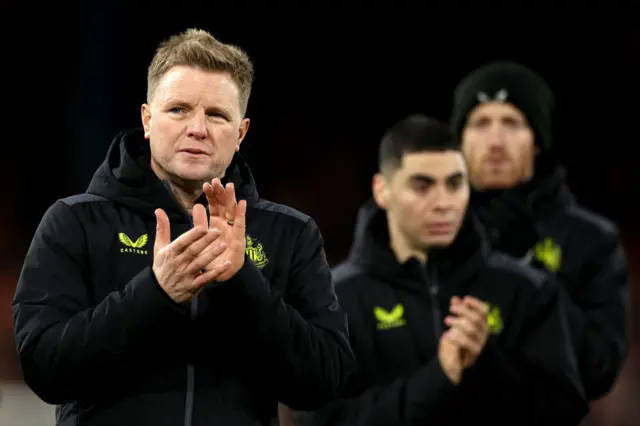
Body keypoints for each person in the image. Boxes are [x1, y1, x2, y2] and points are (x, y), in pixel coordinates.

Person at [12, 28, 355, 426]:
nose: (197, 128)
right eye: (178, 109)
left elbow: (324, 382)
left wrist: (244, 281)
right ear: (147, 119)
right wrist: (154, 295)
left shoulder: (291, 234)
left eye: (216, 115)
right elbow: (43, 366)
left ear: (240, 133)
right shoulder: (75, 221)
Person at [296, 115, 588, 426]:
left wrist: (486, 363)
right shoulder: (334, 300)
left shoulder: (527, 290)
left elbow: (565, 413)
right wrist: (439, 378)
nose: (443, 203)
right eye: (422, 186)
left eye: (454, 184)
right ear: (382, 190)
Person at [451, 61, 630, 401]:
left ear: (537, 139)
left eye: (512, 123)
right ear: (459, 139)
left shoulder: (591, 240)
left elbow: (599, 368)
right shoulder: (431, 229)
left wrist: (523, 273)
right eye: (480, 123)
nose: (496, 141)